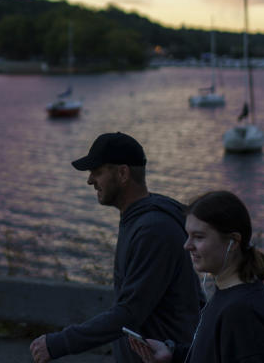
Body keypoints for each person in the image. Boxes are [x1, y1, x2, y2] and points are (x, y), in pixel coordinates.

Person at [30, 132, 202, 363]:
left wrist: (59, 343)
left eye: (97, 172)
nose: (90, 180)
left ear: (122, 173)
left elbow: (129, 312)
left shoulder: (153, 230)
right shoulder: (139, 220)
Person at [129, 190, 264, 363]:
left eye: (198, 237)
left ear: (233, 241)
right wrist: (173, 354)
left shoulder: (241, 312)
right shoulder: (228, 294)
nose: (187, 246)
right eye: (188, 235)